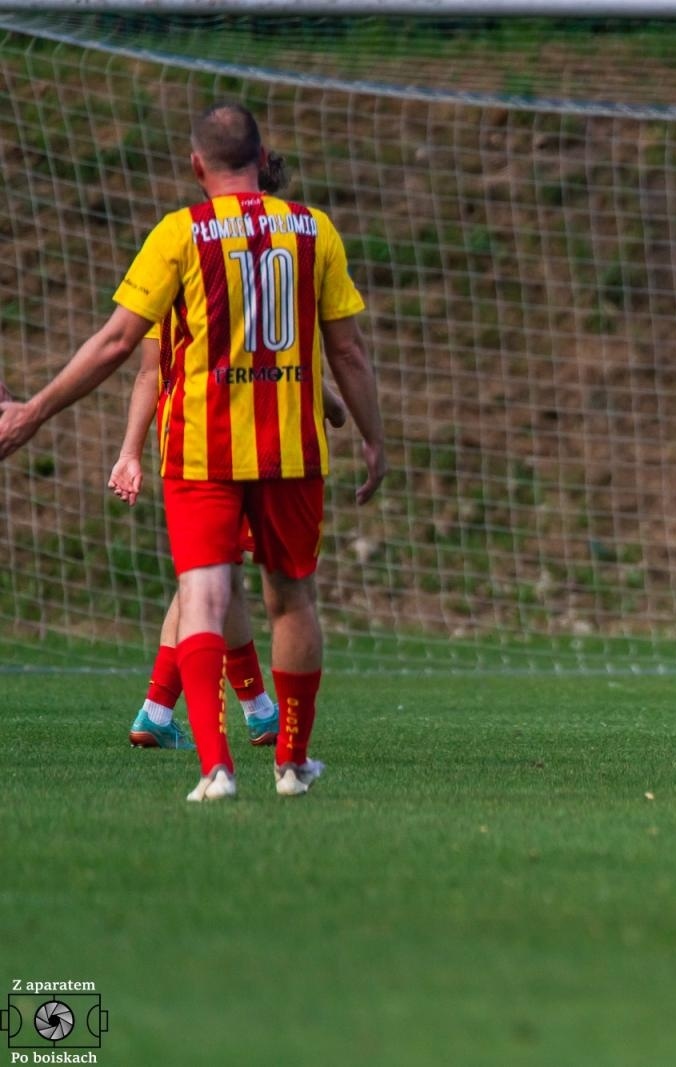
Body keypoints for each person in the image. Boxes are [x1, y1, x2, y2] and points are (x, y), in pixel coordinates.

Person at [0, 102, 387, 799]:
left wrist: (33, 411)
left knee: (203, 596)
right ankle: (292, 763)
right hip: (293, 451)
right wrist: (372, 434)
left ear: (196, 164)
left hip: (202, 449)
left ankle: (216, 768)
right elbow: (346, 349)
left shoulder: (180, 234)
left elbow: (122, 345)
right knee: (291, 598)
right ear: (262, 156)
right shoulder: (313, 229)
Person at [114, 314, 348, 750]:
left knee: (218, 575)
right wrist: (333, 403)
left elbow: (151, 369)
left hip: (186, 440)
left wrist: (130, 451)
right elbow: (273, 355)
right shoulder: (232, 267)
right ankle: (164, 711)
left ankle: (253, 711)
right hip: (240, 441)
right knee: (219, 579)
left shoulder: (171, 274)